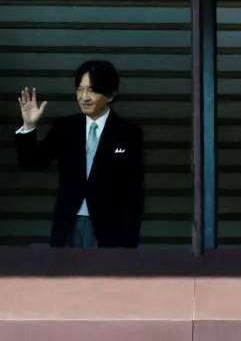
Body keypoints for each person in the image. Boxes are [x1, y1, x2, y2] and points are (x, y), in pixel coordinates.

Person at [15, 60, 145, 249]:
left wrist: (129, 242)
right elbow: (32, 163)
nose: (84, 97)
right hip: (69, 224)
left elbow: (135, 193)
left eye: (92, 90)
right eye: (80, 89)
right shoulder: (65, 127)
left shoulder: (128, 133)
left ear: (110, 95)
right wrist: (29, 126)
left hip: (110, 229)